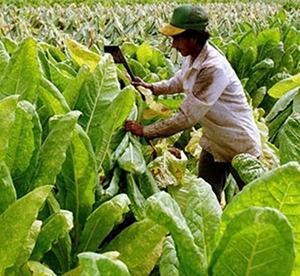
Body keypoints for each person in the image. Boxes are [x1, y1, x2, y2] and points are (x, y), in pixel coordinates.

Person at [125, 4, 262, 202]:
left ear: (194, 37)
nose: (173, 45)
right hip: (214, 143)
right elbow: (180, 80)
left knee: (252, 201)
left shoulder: (212, 68)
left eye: (177, 39)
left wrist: (147, 131)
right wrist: (152, 87)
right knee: (205, 200)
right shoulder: (192, 56)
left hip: (239, 142)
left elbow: (186, 118)